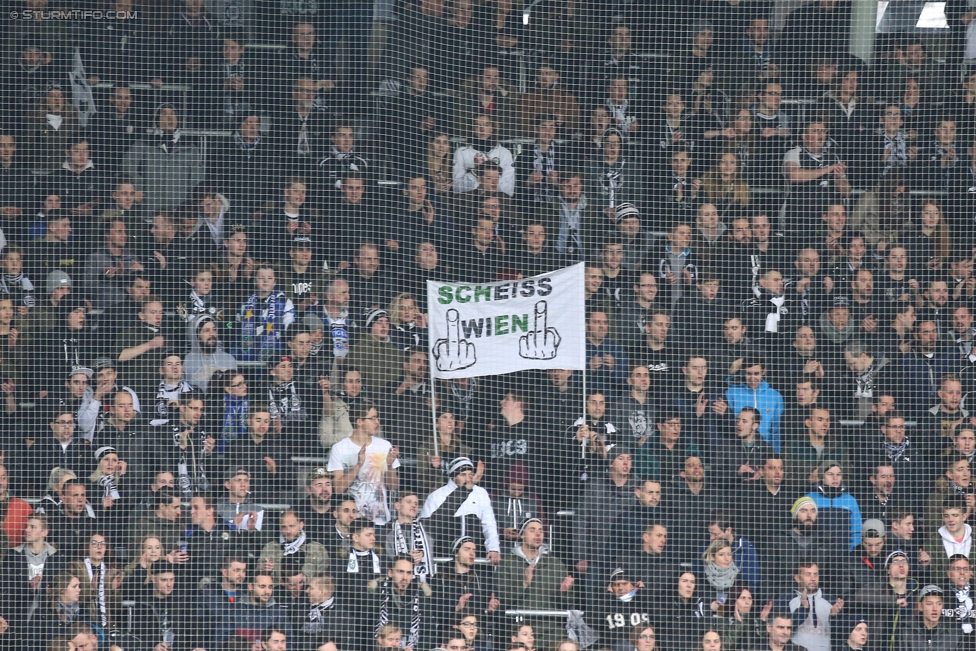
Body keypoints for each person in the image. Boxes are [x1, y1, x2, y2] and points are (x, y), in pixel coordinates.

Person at [327, 399, 399, 526]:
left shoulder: (384, 445)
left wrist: (388, 466)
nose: (377, 422)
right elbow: (337, 489)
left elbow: (393, 486)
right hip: (352, 522)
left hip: (380, 521)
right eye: (372, 418)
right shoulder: (339, 448)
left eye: (377, 418)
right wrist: (358, 465)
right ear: (359, 421)